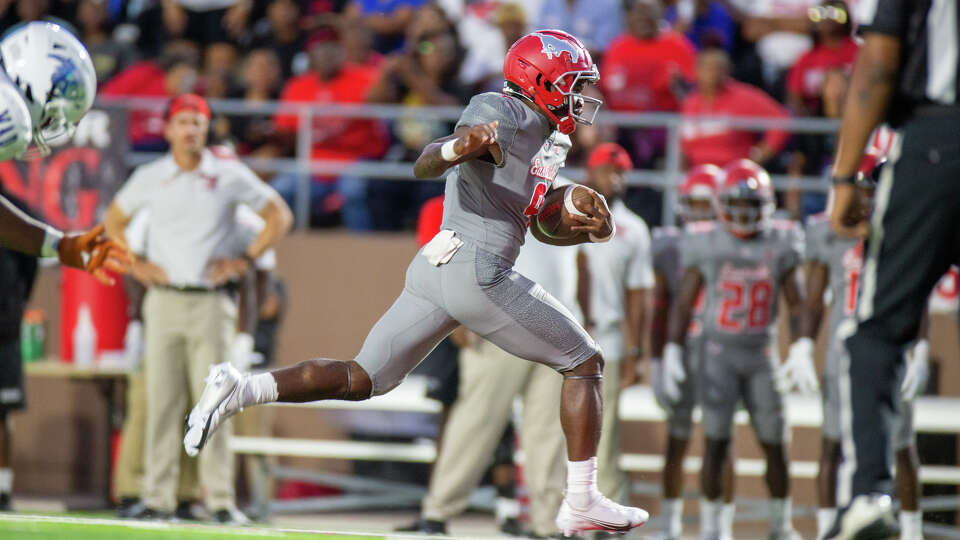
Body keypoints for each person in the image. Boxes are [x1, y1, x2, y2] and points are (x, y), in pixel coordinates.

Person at [185, 29, 650, 536]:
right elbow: (426, 161)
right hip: (479, 269)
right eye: (573, 84)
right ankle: (582, 500)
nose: (583, 96)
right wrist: (458, 147)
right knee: (585, 362)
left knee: (363, 378)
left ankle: (240, 387)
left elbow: (537, 221)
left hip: (439, 267)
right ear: (540, 81)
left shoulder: (549, 136)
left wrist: (581, 230)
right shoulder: (506, 111)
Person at [102, 94, 292, 523]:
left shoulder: (226, 173)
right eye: (183, 122)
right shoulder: (151, 176)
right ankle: (158, 498)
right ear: (168, 129)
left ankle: (221, 500)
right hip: (165, 301)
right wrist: (135, 263)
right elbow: (113, 220)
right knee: (161, 404)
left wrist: (243, 261)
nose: (190, 129)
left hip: (211, 304)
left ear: (207, 129)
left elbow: (278, 215)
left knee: (216, 403)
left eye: (198, 122)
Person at [824, 1, 960, 536]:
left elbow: (879, 62)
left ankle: (870, 495)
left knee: (877, 332)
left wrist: (844, 177)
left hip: (939, 138)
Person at [410, 225, 583, 538]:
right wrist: (452, 309)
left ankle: (548, 525)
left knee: (548, 433)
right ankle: (436, 514)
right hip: (499, 323)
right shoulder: (490, 185)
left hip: (558, 326)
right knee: (476, 421)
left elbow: (582, 263)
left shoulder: (568, 194)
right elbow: (448, 247)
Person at [665, 159, 806, 539]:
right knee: (715, 441)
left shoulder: (781, 241)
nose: (744, 215)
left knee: (775, 442)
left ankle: (780, 525)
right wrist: (672, 349)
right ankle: (714, 529)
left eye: (751, 206)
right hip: (717, 355)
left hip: (761, 354)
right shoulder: (705, 240)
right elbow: (683, 301)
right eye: (737, 206)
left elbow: (798, 301)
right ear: (723, 205)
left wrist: (803, 346)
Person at [800, 156, 926, 540]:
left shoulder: (901, 230)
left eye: (873, 190)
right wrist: (803, 344)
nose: (867, 199)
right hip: (843, 350)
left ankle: (911, 532)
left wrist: (920, 348)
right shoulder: (829, 231)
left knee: (901, 444)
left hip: (890, 347)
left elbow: (916, 294)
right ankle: (827, 530)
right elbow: (815, 297)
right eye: (862, 189)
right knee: (832, 442)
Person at [0, 21, 129, 284]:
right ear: (36, 84)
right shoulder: (10, 114)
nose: (45, 126)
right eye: (51, 117)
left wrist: (59, 246)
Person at [649, 163, 733, 540]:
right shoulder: (670, 246)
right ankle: (671, 526)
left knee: (721, 442)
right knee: (677, 439)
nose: (698, 213)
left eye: (705, 204)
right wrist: (656, 359)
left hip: (722, 353)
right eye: (693, 204)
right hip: (681, 350)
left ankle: (720, 528)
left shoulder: (736, 242)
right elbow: (661, 306)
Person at [578, 143, 654, 509]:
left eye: (621, 171)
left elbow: (639, 294)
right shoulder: (568, 213)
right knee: (555, 426)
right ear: (590, 173)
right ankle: (563, 511)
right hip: (562, 332)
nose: (615, 177)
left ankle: (606, 509)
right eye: (609, 170)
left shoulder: (633, 229)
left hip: (606, 336)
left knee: (604, 432)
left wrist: (636, 351)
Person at [680, 47, 791, 168]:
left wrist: (759, 156)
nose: (713, 72)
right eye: (707, 67)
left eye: (718, 67)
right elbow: (683, 145)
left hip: (734, 175)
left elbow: (781, 119)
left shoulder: (744, 96)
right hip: (699, 176)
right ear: (696, 71)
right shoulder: (690, 102)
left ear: (727, 70)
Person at [785, 0, 857, 116]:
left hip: (853, 115)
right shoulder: (806, 58)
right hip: (816, 123)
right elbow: (794, 99)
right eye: (820, 13)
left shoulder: (858, 53)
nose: (827, 19)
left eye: (835, 13)